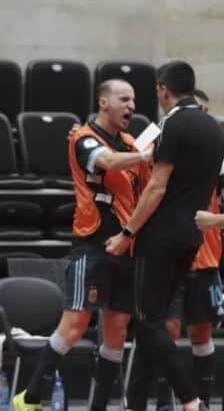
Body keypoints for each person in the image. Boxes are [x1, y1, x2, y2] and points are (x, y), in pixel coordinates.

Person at [13, 79, 152, 411]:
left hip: (127, 248)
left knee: (116, 333)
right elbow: (107, 162)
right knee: (74, 326)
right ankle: (29, 398)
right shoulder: (83, 138)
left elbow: (152, 171)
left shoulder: (132, 143)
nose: (131, 106)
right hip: (92, 246)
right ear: (104, 103)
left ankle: (99, 406)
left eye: (134, 100)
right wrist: (146, 155)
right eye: (124, 99)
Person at [105, 61, 224, 411]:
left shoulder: (172, 122)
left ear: (162, 89)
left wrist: (127, 233)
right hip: (192, 236)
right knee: (151, 324)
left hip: (161, 235)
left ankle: (191, 400)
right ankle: (137, 403)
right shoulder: (213, 127)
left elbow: (156, 187)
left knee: (147, 319)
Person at [154, 89, 221, 410]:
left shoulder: (215, 148)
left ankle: (203, 403)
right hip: (169, 253)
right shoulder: (165, 140)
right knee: (166, 330)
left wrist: (217, 218)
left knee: (201, 333)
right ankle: (168, 402)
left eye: (204, 112)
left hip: (204, 257)